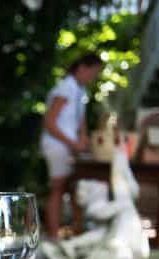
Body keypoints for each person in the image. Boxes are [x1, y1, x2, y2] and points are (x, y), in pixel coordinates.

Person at [41, 53, 104, 238]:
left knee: (73, 187)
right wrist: (73, 144)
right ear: (82, 67)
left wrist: (82, 138)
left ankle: (77, 231)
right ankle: (53, 235)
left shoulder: (79, 90)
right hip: (57, 145)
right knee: (57, 188)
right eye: (93, 72)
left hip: (68, 145)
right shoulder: (66, 87)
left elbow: (80, 121)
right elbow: (50, 123)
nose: (93, 77)